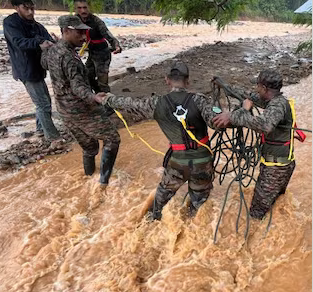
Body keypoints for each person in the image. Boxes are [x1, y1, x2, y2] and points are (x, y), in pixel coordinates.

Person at [100, 61, 218, 220]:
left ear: (167, 80)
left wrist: (108, 99)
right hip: (202, 162)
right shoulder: (201, 101)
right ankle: (191, 226)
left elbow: (130, 104)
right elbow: (218, 121)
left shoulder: (156, 103)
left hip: (177, 163)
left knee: (161, 199)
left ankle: (148, 225)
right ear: (187, 81)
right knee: (199, 203)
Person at [41, 15, 120, 185]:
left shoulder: (53, 50)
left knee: (90, 147)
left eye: (84, 32)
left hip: (64, 110)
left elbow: (44, 64)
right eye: (79, 33)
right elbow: (78, 87)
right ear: (66, 31)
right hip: (81, 109)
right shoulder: (69, 58)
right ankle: (104, 182)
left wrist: (46, 47)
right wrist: (94, 97)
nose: (84, 37)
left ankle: (88, 180)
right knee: (113, 139)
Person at [213, 69, 299, 220]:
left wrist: (235, 115)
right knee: (275, 204)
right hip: (280, 166)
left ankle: (253, 240)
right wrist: (225, 86)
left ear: (265, 89)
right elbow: (249, 95)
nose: (256, 89)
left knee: (256, 214)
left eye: (258, 86)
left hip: (275, 171)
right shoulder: (274, 100)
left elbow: (265, 126)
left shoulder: (278, 106)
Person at [3, 0, 61, 142]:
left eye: (32, 9)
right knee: (43, 104)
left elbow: (47, 38)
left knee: (44, 101)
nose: (30, 12)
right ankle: (52, 138)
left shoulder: (36, 25)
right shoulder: (10, 23)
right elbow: (19, 42)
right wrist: (39, 43)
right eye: (26, 8)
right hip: (26, 69)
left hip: (38, 68)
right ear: (17, 7)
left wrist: (54, 42)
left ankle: (41, 130)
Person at [74, 0, 122, 93]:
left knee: (102, 83)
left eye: (85, 7)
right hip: (91, 52)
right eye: (79, 8)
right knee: (87, 77)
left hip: (102, 54)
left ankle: (108, 104)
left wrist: (116, 45)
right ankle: (97, 96)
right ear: (75, 9)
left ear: (89, 8)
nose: (83, 11)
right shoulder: (75, 20)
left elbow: (108, 35)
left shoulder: (96, 21)